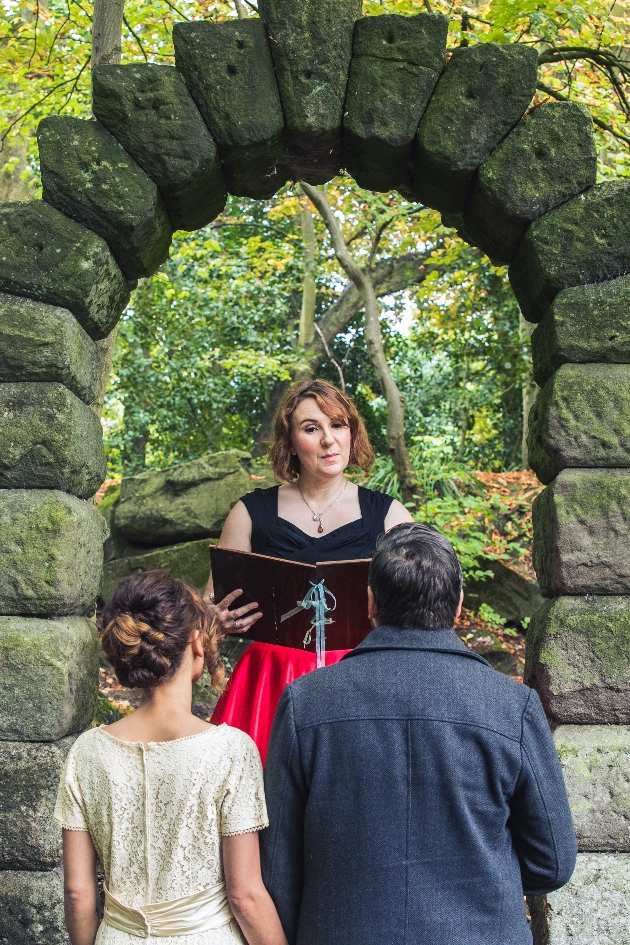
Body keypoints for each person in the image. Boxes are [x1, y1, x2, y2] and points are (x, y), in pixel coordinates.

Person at [261, 523, 578, 945]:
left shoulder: (306, 702)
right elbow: (552, 863)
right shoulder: (511, 706)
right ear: (459, 604)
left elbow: (276, 864)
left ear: (370, 601)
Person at [54, 570, 288, 945]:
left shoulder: (88, 751)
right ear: (197, 641)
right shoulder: (230, 749)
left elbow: (78, 894)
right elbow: (245, 896)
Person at [208, 379, 412, 763]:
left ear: (352, 433)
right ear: (290, 441)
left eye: (338, 424)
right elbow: (207, 606)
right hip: (269, 679)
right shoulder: (251, 511)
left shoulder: (388, 514)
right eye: (311, 428)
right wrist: (216, 618)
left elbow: (430, 599)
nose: (328, 440)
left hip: (361, 677)